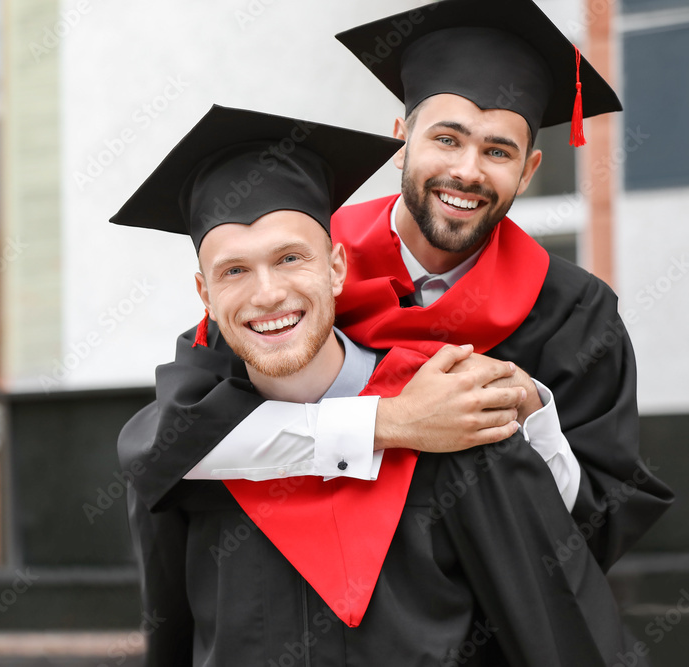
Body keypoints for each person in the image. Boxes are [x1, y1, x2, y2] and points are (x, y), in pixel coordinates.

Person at [125, 0, 672, 580]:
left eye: (497, 151)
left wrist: (537, 419)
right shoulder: (297, 272)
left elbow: (595, 526)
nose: (467, 171)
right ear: (401, 140)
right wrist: (393, 421)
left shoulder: (573, 314)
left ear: (529, 170)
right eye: (446, 139)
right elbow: (178, 443)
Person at [113, 104, 640, 666]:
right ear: (205, 296)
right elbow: (171, 632)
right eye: (234, 270)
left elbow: (552, 620)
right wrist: (388, 424)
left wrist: (532, 415)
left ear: (338, 268)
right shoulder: (189, 463)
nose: (267, 294)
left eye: (291, 258)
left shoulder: (459, 430)